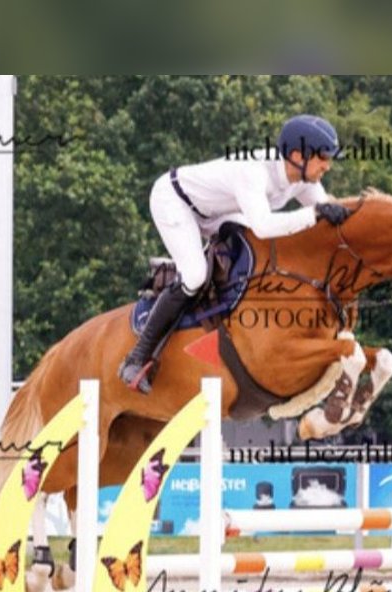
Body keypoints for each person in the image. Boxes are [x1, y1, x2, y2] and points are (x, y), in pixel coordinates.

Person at [119, 114, 353, 394]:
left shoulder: (304, 178)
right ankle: (136, 357)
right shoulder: (253, 172)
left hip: (218, 212)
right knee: (194, 275)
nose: (327, 166)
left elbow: (328, 213)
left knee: (255, 250)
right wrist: (314, 213)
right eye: (323, 158)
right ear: (296, 155)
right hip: (176, 201)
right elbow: (266, 226)